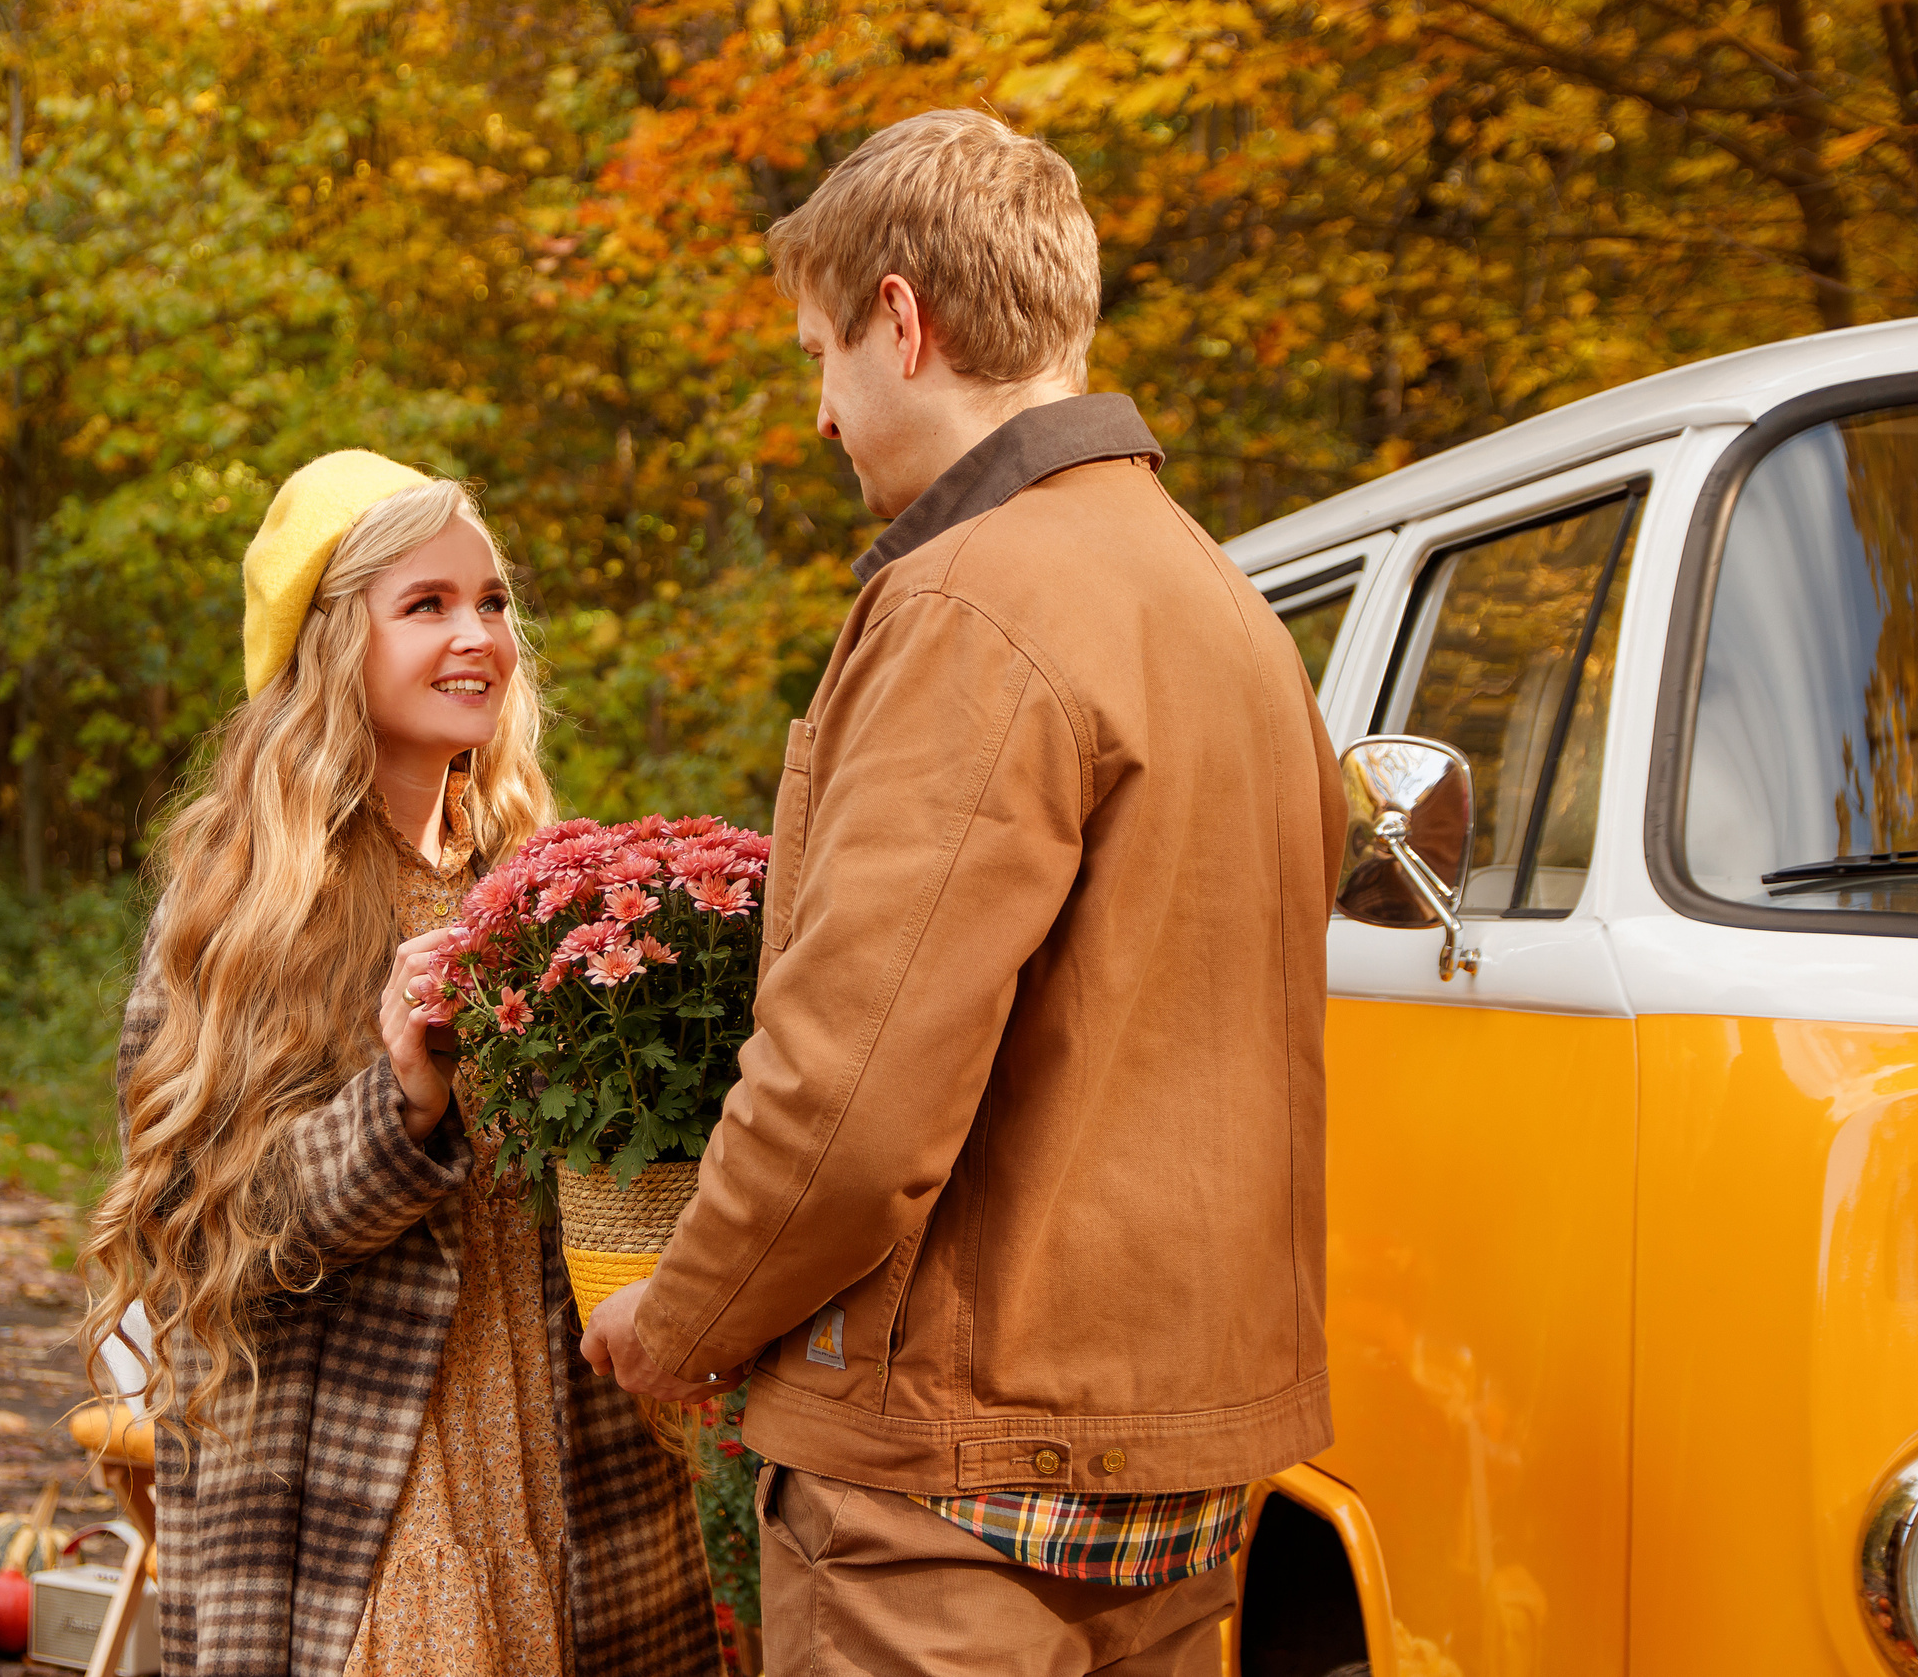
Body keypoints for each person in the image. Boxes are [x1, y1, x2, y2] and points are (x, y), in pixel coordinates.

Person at [582, 110, 1349, 1674]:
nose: (820, 412)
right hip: (1179, 1469)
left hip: (952, 1490)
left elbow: (852, 1099)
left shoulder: (968, 603)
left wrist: (684, 1316)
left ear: (904, 321)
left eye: (822, 353)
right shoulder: (1229, 607)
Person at [81, 453, 719, 1677]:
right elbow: (196, 1238)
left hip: (562, 1464)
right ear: (331, 645)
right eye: (424, 605)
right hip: (358, 1491)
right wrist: (400, 1108)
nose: (475, 634)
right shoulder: (244, 907)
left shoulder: (537, 884)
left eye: (490, 602)